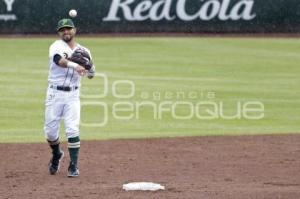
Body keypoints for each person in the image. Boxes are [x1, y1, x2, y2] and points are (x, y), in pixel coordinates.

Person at [44, 18, 95, 177]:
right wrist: (76, 65)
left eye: (68, 29)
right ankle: (57, 153)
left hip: (73, 94)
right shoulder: (56, 46)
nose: (66, 32)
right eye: (62, 30)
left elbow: (91, 73)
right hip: (55, 94)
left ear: (75, 30)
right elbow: (59, 61)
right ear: (59, 33)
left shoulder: (84, 50)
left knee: (72, 129)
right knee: (50, 133)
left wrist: (90, 68)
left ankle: (73, 165)